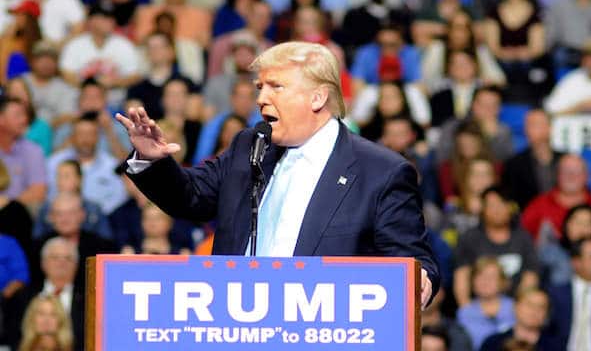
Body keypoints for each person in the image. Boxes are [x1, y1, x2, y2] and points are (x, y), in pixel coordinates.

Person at [115, 41, 439, 305]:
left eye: (276, 87)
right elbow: (191, 197)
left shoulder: (380, 172)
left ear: (317, 97)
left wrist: (419, 280)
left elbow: (411, 261)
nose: (260, 98)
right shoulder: (249, 145)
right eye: (259, 87)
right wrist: (151, 158)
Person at [454, 186, 539, 305]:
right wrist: (467, 312)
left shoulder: (523, 238)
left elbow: (530, 276)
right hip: (477, 308)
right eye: (491, 205)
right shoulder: (470, 238)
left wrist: (518, 310)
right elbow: (462, 276)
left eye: (502, 204)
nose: (497, 210)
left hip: (515, 309)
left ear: (510, 207)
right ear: (483, 209)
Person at [521, 154, 591, 242]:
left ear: (587, 176)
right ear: (557, 175)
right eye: (566, 171)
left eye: (577, 171)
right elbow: (521, 240)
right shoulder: (538, 206)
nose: (571, 176)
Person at [538, 204, 591, 287]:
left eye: (588, 223)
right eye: (578, 222)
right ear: (566, 225)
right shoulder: (550, 252)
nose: (583, 228)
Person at [501, 110, 563, 210]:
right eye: (531, 125)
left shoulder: (566, 160)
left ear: (550, 128)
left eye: (540, 124)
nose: (535, 129)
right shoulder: (513, 165)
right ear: (525, 130)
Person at [456, 256, 516, 350]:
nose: (485, 281)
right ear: (472, 281)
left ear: (503, 282)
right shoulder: (464, 312)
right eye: (480, 276)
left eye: (492, 277)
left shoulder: (516, 308)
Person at [0, 97, 46, 208]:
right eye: (18, 115)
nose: (24, 120)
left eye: (24, 115)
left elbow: (38, 192)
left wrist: (7, 204)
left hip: (19, 214)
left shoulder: (33, 150)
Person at [480, 288, 549, 351]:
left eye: (541, 307)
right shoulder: (492, 344)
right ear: (516, 306)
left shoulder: (556, 346)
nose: (535, 311)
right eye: (529, 304)